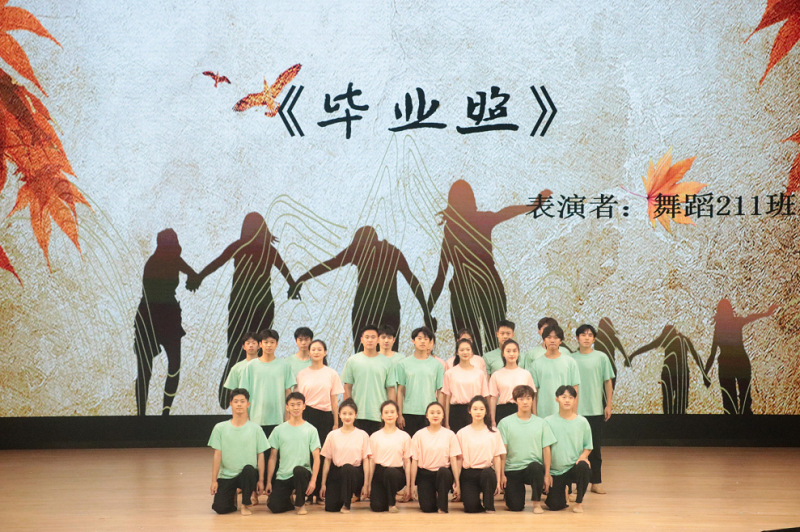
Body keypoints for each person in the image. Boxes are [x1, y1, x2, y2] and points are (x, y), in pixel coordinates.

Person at [427, 180, 551, 355]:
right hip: (488, 286)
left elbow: (440, 277)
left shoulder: (451, 230)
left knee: (469, 349)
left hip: (463, 292)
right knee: (495, 344)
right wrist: (534, 205)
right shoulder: (481, 219)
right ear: (471, 199)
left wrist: (427, 309)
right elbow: (506, 212)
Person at [186, 213, 296, 409]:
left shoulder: (239, 246)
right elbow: (286, 273)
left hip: (241, 305)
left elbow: (217, 263)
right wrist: (293, 287)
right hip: (262, 305)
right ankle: (247, 394)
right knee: (258, 351)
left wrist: (198, 277)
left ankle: (230, 394)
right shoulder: (269, 250)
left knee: (238, 347)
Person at [289, 225, 435, 352]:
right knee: (387, 355)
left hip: (366, 310)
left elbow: (331, 264)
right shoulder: (392, 251)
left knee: (364, 354)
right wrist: (426, 313)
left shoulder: (359, 250)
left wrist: (301, 279)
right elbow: (413, 281)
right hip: (387, 310)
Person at [134, 228, 198, 416]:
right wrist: (191, 278)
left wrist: (191, 278)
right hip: (151, 317)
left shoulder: (172, 259)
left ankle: (165, 413)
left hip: (166, 317)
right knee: (145, 371)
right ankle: (141, 416)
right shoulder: (154, 263)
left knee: (174, 367)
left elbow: (191, 272)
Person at [705, 299, 778, 415]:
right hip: (740, 363)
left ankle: (735, 423)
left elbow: (712, 354)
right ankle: (745, 422)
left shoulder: (719, 328)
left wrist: (705, 372)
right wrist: (766, 313)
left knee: (730, 405)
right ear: (730, 310)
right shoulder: (735, 322)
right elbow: (750, 318)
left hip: (726, 366)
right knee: (744, 403)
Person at [296, 339, 343, 503]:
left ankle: (322, 491)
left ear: (325, 352)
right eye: (313, 349)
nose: (316, 352)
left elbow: (334, 400)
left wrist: (336, 423)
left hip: (325, 416)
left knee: (324, 453)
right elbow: (299, 400)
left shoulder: (331, 373)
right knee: (307, 453)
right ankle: (308, 491)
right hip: (306, 415)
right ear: (309, 353)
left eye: (319, 349)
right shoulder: (302, 374)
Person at [208, 388, 269, 516]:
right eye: (236, 401)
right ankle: (232, 499)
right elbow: (217, 455)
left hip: (247, 476)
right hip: (227, 475)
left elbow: (261, 456)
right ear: (230, 404)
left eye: (242, 401)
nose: (239, 404)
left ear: (248, 404)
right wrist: (214, 480)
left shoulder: (256, 429)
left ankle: (245, 504)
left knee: (249, 469)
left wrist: (261, 480)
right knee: (220, 508)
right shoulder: (220, 428)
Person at [570, 324, 615, 494]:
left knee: (595, 448)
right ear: (577, 338)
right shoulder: (571, 359)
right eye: (583, 335)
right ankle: (575, 484)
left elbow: (607, 381)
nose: (586, 338)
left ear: (594, 339)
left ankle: (596, 482)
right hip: (575, 411)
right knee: (575, 449)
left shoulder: (601, 357)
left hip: (595, 410)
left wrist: (608, 404)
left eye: (590, 335)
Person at [498, 385, 555, 513]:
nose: (525, 402)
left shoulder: (541, 423)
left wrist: (547, 474)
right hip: (512, 469)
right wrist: (501, 474)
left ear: (532, 400)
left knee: (536, 467)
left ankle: (536, 503)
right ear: (515, 401)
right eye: (521, 399)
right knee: (515, 507)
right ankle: (509, 495)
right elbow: (502, 452)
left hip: (532, 469)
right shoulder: (505, 423)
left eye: (528, 398)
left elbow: (546, 449)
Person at [627, 325, 705, 414]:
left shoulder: (667, 339)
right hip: (681, 375)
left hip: (670, 375)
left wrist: (632, 356)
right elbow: (696, 356)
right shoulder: (683, 340)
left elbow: (648, 347)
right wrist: (704, 373)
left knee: (668, 404)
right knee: (679, 404)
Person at [265, 392, 321, 515]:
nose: (296, 408)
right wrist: (269, 481)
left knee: (299, 470)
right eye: (292, 405)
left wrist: (313, 481)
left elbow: (317, 458)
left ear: (304, 406)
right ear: (287, 407)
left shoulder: (311, 430)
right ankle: (288, 500)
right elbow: (272, 458)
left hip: (302, 474)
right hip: (283, 475)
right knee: (274, 507)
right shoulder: (278, 430)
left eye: (298, 404)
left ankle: (301, 504)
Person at [545, 385, 592, 513]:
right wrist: (547, 472)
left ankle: (579, 502)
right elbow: (545, 448)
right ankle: (564, 491)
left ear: (575, 400)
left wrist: (583, 457)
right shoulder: (548, 421)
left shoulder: (582, 422)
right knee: (554, 506)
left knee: (584, 467)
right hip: (556, 471)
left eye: (571, 397)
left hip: (573, 467)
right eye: (563, 397)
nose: (567, 400)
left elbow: (588, 446)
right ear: (557, 399)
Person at [342, 325, 397, 435]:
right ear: (361, 340)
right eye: (367, 337)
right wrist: (349, 410)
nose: (370, 340)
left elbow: (391, 389)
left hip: (380, 414)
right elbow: (347, 387)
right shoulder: (353, 361)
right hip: (357, 414)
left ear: (378, 340)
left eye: (373, 337)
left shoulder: (387, 362)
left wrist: (392, 412)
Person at [320, 398, 372, 513]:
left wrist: (366, 483)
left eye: (350, 414)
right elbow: (327, 461)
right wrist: (323, 484)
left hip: (354, 473)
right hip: (337, 472)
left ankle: (346, 504)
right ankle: (341, 499)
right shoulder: (332, 435)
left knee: (347, 468)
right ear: (339, 415)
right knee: (331, 508)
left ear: (355, 415)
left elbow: (366, 461)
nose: (347, 417)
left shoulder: (362, 435)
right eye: (344, 413)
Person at [409, 402, 462, 513]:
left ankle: (442, 506)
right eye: (432, 413)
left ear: (443, 415)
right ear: (427, 415)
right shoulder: (419, 435)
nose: (435, 415)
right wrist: (412, 485)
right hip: (425, 474)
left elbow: (453, 460)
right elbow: (414, 461)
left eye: (438, 412)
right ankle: (433, 497)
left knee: (443, 472)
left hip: (443, 474)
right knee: (427, 508)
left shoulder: (450, 435)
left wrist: (457, 483)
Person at [456, 396, 505, 513]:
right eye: (475, 409)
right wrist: (456, 482)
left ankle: (489, 504)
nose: (478, 412)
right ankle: (475, 502)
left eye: (481, 409)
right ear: (469, 411)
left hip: (486, 472)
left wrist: (498, 481)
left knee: (488, 473)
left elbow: (497, 457)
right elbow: (459, 460)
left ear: (486, 411)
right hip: (468, 473)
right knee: (471, 508)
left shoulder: (494, 432)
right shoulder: (462, 433)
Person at [242, 329, 295, 438]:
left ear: (277, 344)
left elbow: (288, 391)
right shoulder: (250, 366)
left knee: (276, 448)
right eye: (266, 342)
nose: (269, 345)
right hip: (256, 418)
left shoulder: (284, 365)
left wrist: (288, 414)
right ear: (260, 344)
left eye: (272, 342)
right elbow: (244, 394)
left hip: (278, 418)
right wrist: (245, 415)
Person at [396, 327, 445, 436]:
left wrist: (440, 414)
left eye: (426, 339)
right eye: (419, 338)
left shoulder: (437, 365)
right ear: (413, 341)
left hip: (430, 413)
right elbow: (400, 390)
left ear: (430, 342)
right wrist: (399, 414)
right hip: (409, 412)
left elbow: (440, 392)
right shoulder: (403, 364)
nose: (423, 341)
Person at [367, 401, 412, 512]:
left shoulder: (404, 436)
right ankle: (385, 498)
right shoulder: (374, 436)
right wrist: (368, 484)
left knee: (390, 473)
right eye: (386, 412)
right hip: (379, 472)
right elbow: (371, 462)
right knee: (377, 507)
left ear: (397, 415)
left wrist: (408, 486)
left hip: (396, 473)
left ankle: (392, 504)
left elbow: (407, 462)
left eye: (392, 412)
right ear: (382, 416)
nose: (389, 415)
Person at [530, 324, 581, 418]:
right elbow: (534, 392)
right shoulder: (536, 364)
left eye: (556, 337)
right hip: (543, 415)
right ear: (544, 340)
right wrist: (535, 416)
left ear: (560, 341)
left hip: (566, 414)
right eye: (549, 337)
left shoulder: (570, 362)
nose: (552, 340)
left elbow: (575, 389)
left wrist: (574, 413)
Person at [442, 339, 489, 434]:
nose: (465, 352)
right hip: (456, 412)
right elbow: (447, 398)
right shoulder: (450, 373)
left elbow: (485, 396)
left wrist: (488, 419)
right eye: (462, 350)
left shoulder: (479, 373)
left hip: (475, 411)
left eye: (468, 349)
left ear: (472, 352)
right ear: (457, 352)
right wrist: (446, 422)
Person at [488, 340, 535, 425]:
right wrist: (492, 420)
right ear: (503, 353)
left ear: (518, 353)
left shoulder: (525, 374)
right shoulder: (496, 375)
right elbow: (493, 399)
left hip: (522, 410)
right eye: (508, 351)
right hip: (503, 411)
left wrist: (534, 415)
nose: (512, 354)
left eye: (514, 351)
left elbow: (532, 396)